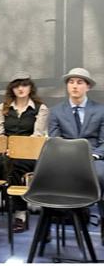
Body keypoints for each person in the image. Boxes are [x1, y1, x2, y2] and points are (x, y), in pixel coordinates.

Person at [0, 72, 49, 232]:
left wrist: (17, 149)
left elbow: (37, 136)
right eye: (16, 86)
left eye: (24, 85)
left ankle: (20, 213)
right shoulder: (2, 108)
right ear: (12, 89)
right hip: (4, 151)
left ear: (31, 87)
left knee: (16, 165)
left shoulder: (40, 108)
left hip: (28, 153)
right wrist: (6, 148)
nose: (20, 89)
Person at [49, 67, 104, 195]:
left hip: (93, 157)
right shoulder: (56, 111)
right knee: (54, 175)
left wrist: (94, 155)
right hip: (66, 158)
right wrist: (69, 157)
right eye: (71, 82)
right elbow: (55, 141)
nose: (74, 86)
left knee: (100, 174)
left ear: (88, 87)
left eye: (79, 82)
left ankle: (95, 207)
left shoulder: (101, 110)